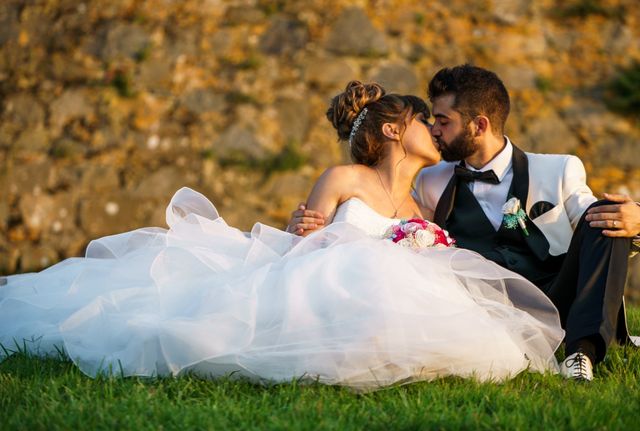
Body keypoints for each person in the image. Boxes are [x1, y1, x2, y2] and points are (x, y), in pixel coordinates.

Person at [0, 81, 564, 391]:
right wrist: (302, 228)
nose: (435, 131)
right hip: (325, 279)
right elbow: (304, 245)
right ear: (395, 130)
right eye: (425, 120)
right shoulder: (346, 178)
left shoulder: (422, 203)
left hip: (391, 289)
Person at [290, 65, 640, 382]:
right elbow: (390, 218)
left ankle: (582, 353)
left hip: (556, 295)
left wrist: (637, 219)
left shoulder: (558, 169)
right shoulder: (429, 183)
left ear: (479, 125)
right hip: (489, 310)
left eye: (443, 121)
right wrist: (310, 223)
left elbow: (597, 226)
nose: (435, 131)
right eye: (431, 122)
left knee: (605, 214)